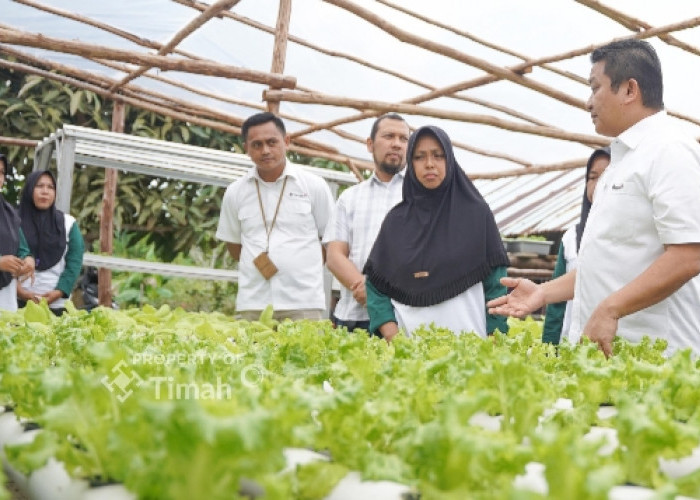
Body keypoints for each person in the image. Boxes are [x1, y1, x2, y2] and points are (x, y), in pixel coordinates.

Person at [488, 39, 700, 357]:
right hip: (615, 359)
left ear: (630, 90)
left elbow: (689, 254)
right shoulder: (621, 162)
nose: (588, 102)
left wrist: (611, 309)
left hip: (659, 361)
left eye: (594, 87)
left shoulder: (669, 150)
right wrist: (543, 293)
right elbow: (607, 264)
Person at [363, 125, 510, 341]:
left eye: (438, 156)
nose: (429, 164)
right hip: (407, 357)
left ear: (449, 160)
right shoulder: (396, 221)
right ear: (411, 164)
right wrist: (393, 337)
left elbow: (496, 285)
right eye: (419, 157)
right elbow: (376, 286)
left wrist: (494, 339)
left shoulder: (476, 215)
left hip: (468, 352)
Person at [216, 112, 334, 321]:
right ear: (247, 148)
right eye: (257, 145)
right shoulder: (235, 192)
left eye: (272, 142)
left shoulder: (314, 186)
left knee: (304, 354)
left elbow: (330, 242)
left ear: (286, 142)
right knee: (251, 353)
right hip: (253, 303)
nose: (265, 150)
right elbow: (234, 246)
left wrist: (300, 266)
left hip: (303, 301)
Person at [323, 113, 410, 332]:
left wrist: (377, 297)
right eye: (389, 136)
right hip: (354, 316)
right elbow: (334, 256)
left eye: (403, 139)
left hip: (403, 317)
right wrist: (369, 292)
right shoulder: (349, 197)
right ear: (370, 144)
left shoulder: (421, 197)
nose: (397, 144)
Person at [541, 147, 610, 344]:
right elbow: (557, 305)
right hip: (572, 346)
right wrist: (548, 347)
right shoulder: (571, 237)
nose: (596, 185)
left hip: (616, 345)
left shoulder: (636, 235)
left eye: (606, 176)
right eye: (592, 177)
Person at [16, 170, 85, 315]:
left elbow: (74, 262)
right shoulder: (12, 221)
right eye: (39, 186)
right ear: (29, 190)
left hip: (56, 306)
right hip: (16, 303)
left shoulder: (68, 224)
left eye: (50, 187)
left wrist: (59, 292)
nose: (45, 192)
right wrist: (19, 291)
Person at [0, 153, 35, 311]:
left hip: (5, 292)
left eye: (1, 172)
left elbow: (22, 247)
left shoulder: (9, 213)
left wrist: (28, 260)